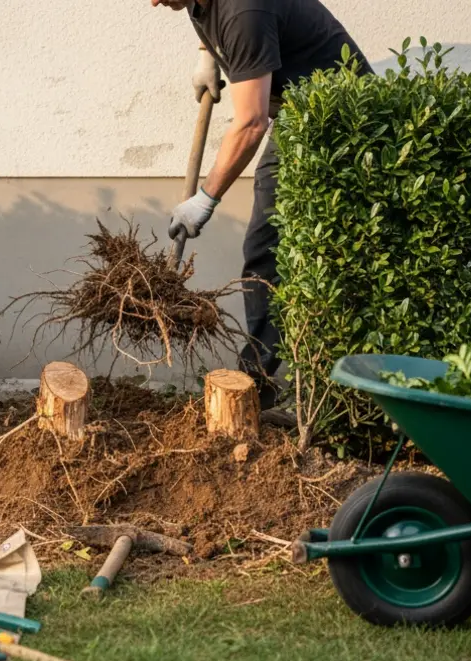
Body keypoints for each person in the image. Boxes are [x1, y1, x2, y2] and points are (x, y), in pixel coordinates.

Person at [155, 0, 368, 415]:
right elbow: (223, 27)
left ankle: (261, 386)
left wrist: (206, 198)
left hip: (339, 119)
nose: (152, 2)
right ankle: (269, 383)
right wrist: (207, 55)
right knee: (269, 246)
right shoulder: (204, 5)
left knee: (270, 248)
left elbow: (252, 122)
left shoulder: (243, 11)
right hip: (301, 112)